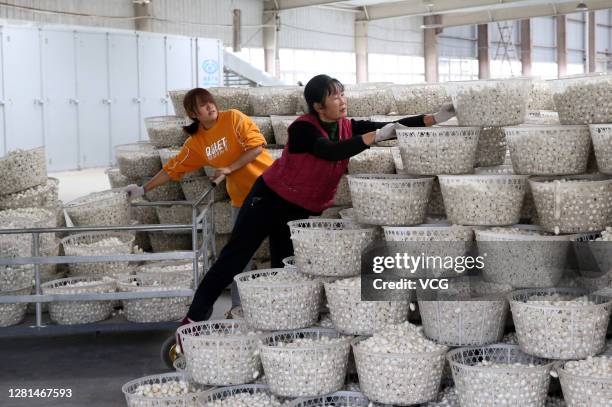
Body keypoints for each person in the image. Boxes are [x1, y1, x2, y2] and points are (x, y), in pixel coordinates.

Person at [182, 74, 456, 325]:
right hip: (267, 200)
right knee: (234, 256)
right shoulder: (303, 129)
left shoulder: (346, 126)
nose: (342, 100)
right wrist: (373, 138)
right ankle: (194, 319)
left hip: (294, 210)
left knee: (287, 265)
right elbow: (329, 151)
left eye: (342, 94)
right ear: (318, 106)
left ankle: (281, 318)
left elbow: (391, 126)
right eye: (334, 96)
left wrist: (435, 118)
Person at [124, 88, 274, 316]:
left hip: (272, 188)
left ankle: (279, 302)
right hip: (242, 198)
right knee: (238, 257)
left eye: (209, 102)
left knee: (281, 245)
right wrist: (143, 189)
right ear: (194, 114)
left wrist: (228, 168)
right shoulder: (197, 143)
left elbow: (256, 147)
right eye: (202, 106)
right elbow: (173, 169)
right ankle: (239, 307)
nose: (210, 106)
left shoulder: (233, 118)